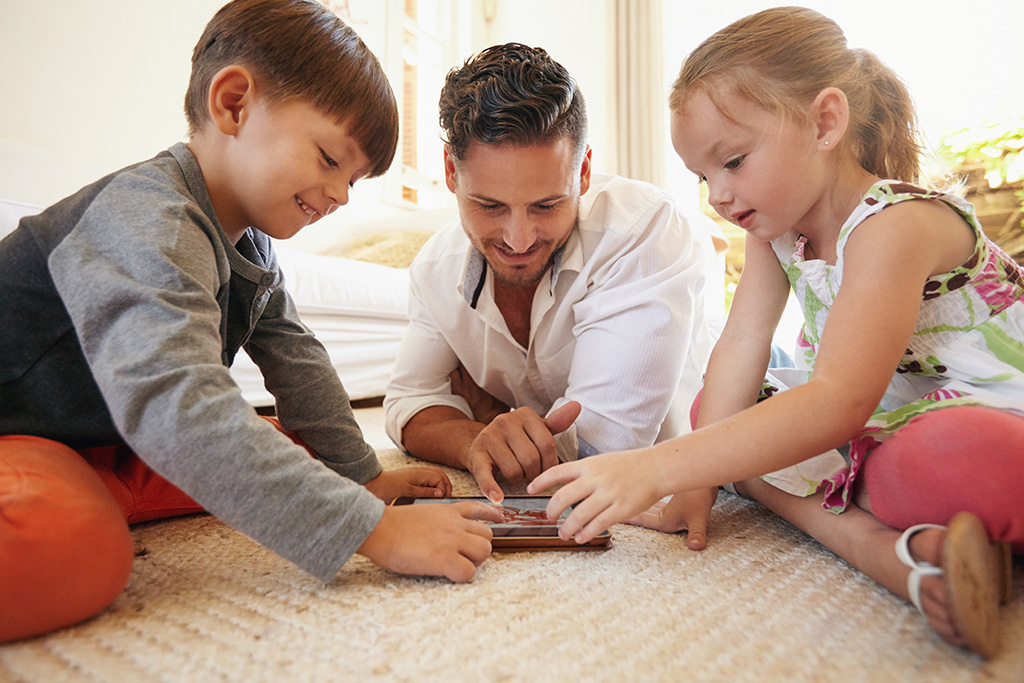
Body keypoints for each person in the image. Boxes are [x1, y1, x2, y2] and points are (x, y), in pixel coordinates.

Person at [0, 0, 503, 643]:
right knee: (77, 549)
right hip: (26, 428)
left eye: (354, 179)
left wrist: (361, 477)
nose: (342, 195)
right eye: (329, 159)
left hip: (102, 431)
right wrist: (369, 530)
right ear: (233, 103)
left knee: (290, 451)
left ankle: (117, 482)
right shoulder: (146, 217)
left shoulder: (251, 243)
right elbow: (177, 408)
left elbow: (296, 356)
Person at [530, 6, 1022, 659]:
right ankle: (901, 555)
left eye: (733, 160)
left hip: (980, 415)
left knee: (966, 452)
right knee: (717, 412)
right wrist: (693, 486)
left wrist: (656, 465)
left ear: (825, 122)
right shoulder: (776, 230)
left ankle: (894, 538)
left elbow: (838, 399)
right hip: (877, 427)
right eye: (704, 177)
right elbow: (740, 346)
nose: (718, 195)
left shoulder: (898, 222)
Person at [383, 43, 718, 504]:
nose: (518, 240)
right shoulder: (435, 269)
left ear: (582, 173)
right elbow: (406, 404)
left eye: (546, 205)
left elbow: (603, 449)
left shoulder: (643, 230)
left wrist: (488, 410)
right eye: (490, 206)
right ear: (451, 172)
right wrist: (474, 438)